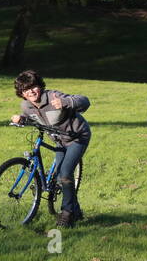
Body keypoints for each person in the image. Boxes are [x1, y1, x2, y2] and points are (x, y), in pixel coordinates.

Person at [9, 69, 90, 227]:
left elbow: (85, 101)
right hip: (59, 140)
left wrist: (66, 103)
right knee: (59, 176)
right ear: (22, 93)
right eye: (26, 89)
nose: (31, 91)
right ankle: (77, 211)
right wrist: (21, 119)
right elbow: (35, 118)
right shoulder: (26, 106)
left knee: (65, 174)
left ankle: (67, 213)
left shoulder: (53, 97)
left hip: (78, 136)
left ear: (40, 86)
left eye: (34, 87)